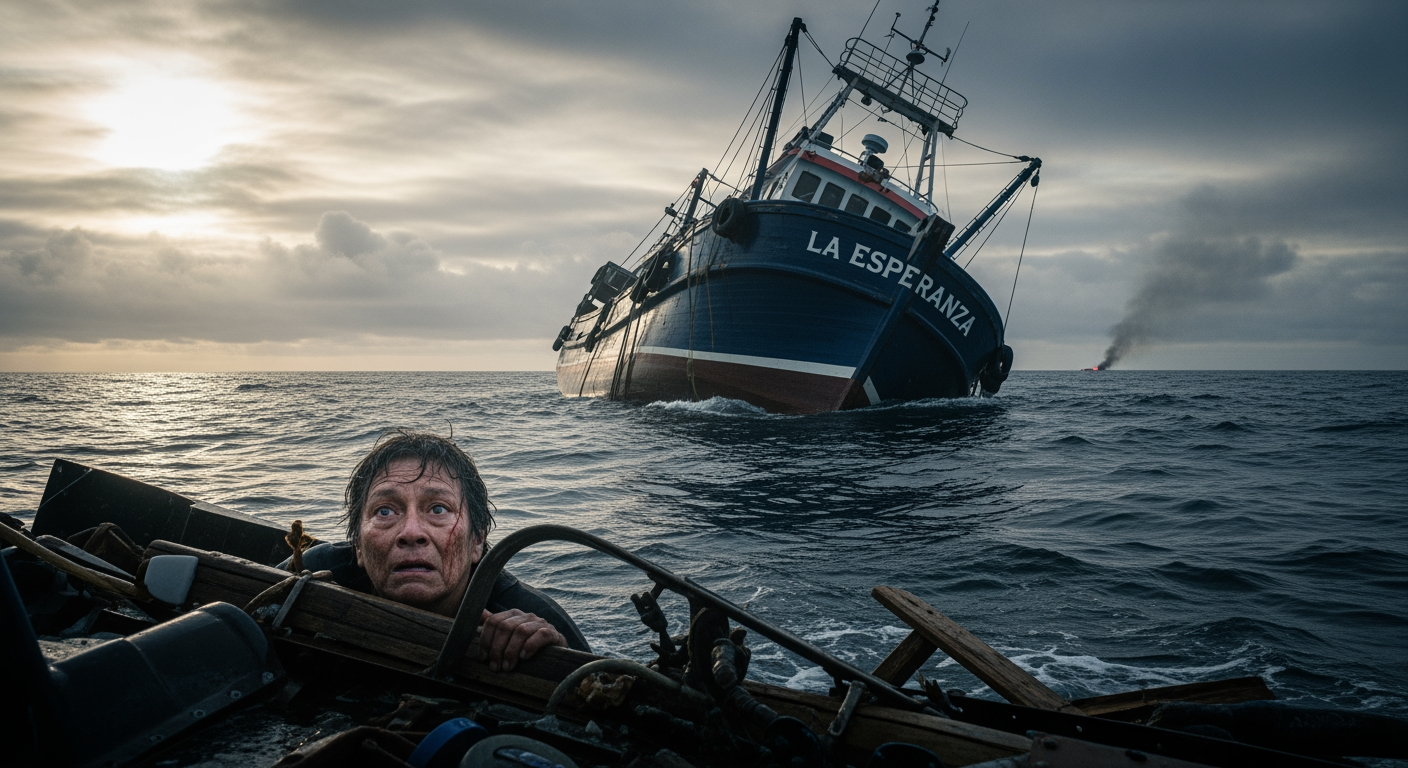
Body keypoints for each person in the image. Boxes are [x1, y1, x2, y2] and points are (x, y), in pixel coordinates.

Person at [290, 429, 589, 671]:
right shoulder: (313, 575)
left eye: (437, 508)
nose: (411, 532)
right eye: (385, 512)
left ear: (476, 541)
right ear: (357, 545)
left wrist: (552, 658)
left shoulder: (532, 614)